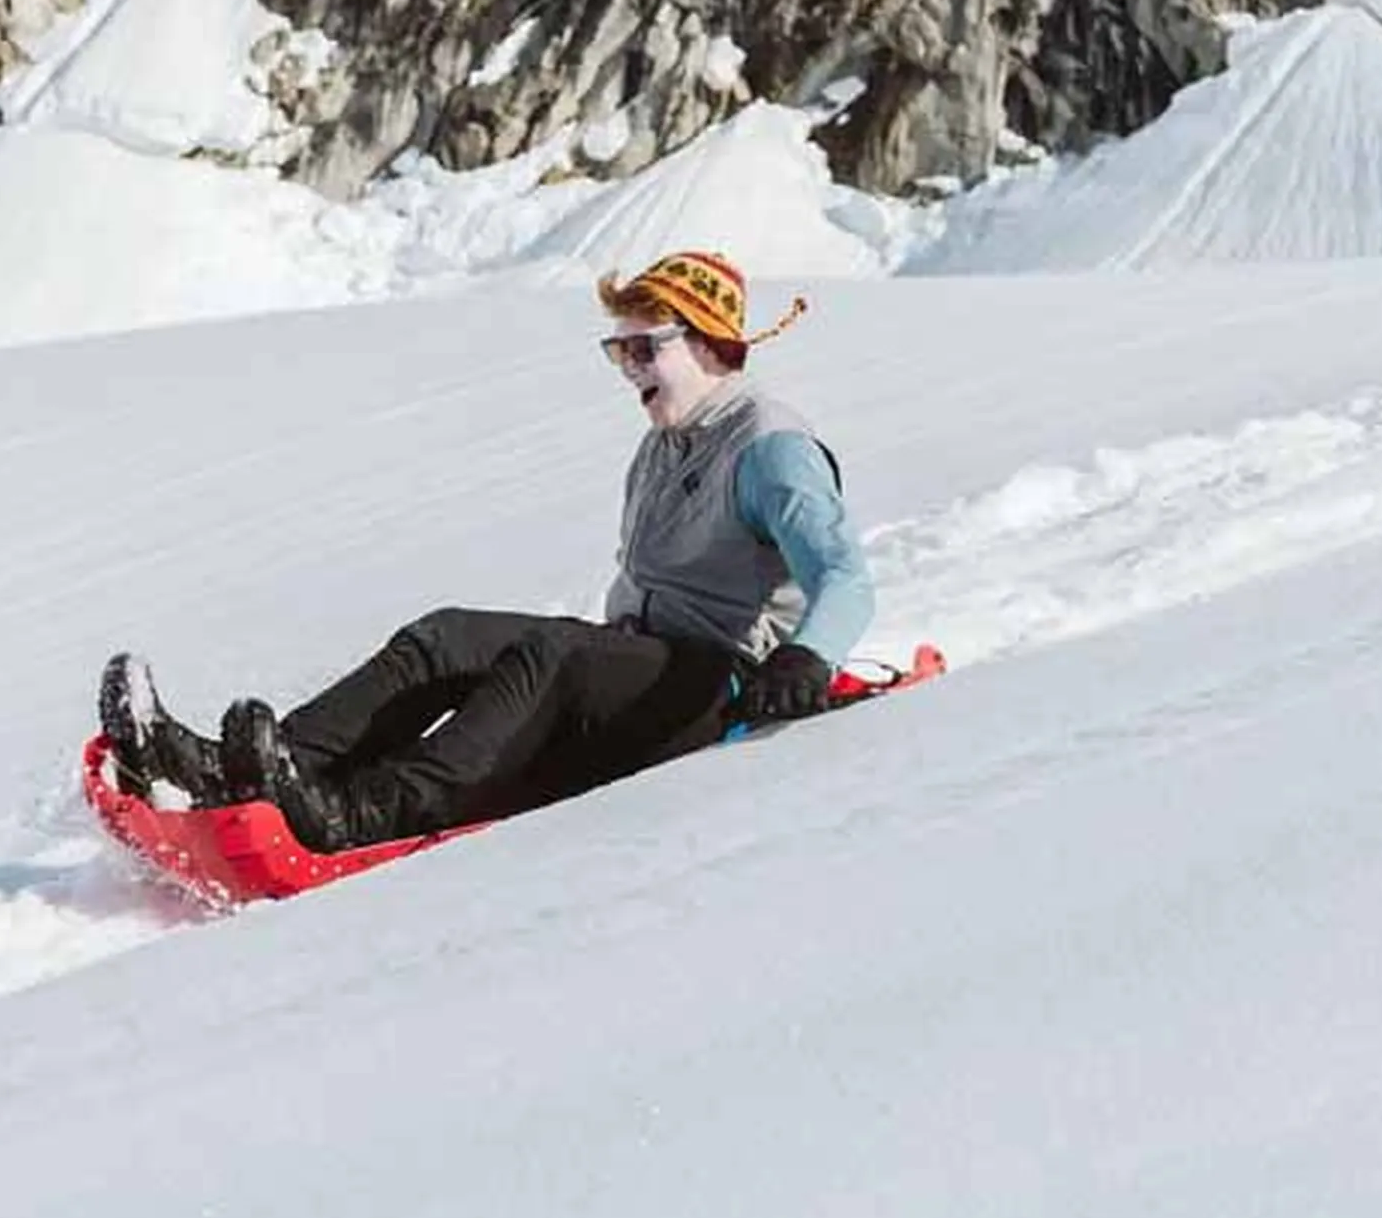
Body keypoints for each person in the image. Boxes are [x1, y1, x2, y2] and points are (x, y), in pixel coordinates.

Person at [96, 249, 875, 853]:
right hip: (638, 668)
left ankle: (356, 814)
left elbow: (845, 576)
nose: (628, 370)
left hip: (719, 691)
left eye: (644, 349)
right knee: (447, 634)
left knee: (552, 654)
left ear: (709, 343)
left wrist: (806, 659)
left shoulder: (771, 447)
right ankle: (250, 770)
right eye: (619, 352)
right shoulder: (664, 446)